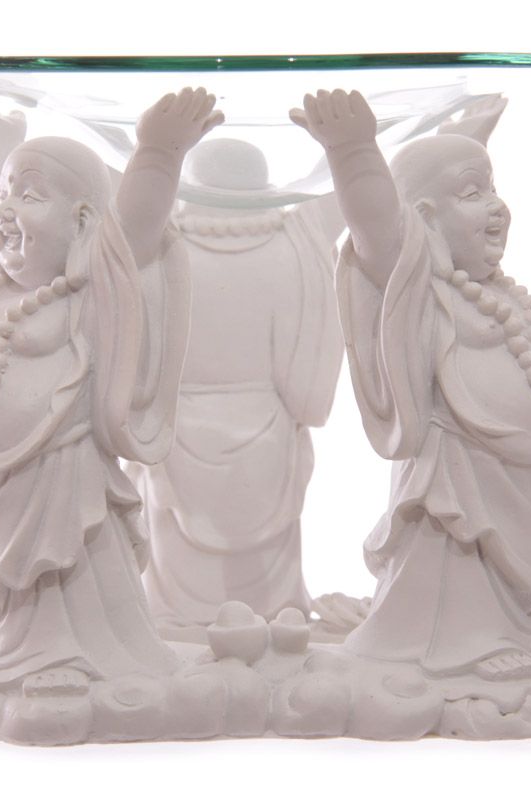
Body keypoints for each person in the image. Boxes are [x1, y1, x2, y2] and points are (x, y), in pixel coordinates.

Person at [0, 89, 223, 693]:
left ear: (84, 224)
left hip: (60, 478)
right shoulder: (4, 289)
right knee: (5, 591)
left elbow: (134, 230)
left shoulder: (87, 292)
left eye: (31, 195)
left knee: (61, 578)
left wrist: (159, 153)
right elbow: (3, 219)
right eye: (7, 194)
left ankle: (69, 660)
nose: (6, 211)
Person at [292, 90, 531, 678]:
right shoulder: (421, 287)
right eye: (474, 193)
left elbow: (427, 193)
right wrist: (352, 152)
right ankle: (462, 646)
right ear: (424, 221)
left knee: (503, 576)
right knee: (459, 553)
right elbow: (380, 226)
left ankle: (512, 634)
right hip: (458, 475)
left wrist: (464, 142)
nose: (496, 206)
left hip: (518, 479)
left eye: (493, 188)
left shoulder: (492, 293)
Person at [129, 138, 344, 632]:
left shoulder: (157, 240)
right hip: (253, 430)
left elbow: (105, 193)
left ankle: (189, 625)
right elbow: (343, 185)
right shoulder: (296, 239)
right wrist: (345, 142)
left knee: (178, 572)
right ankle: (261, 623)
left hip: (182, 429)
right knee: (260, 591)